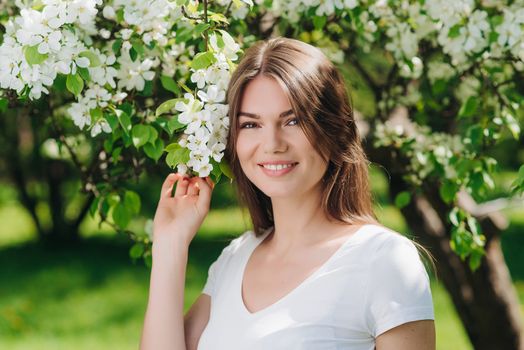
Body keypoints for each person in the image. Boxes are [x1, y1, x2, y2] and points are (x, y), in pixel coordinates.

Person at [140, 37, 435, 350]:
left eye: (293, 120)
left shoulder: (383, 260)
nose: (273, 144)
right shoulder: (236, 257)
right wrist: (170, 247)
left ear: (333, 129)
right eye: (251, 125)